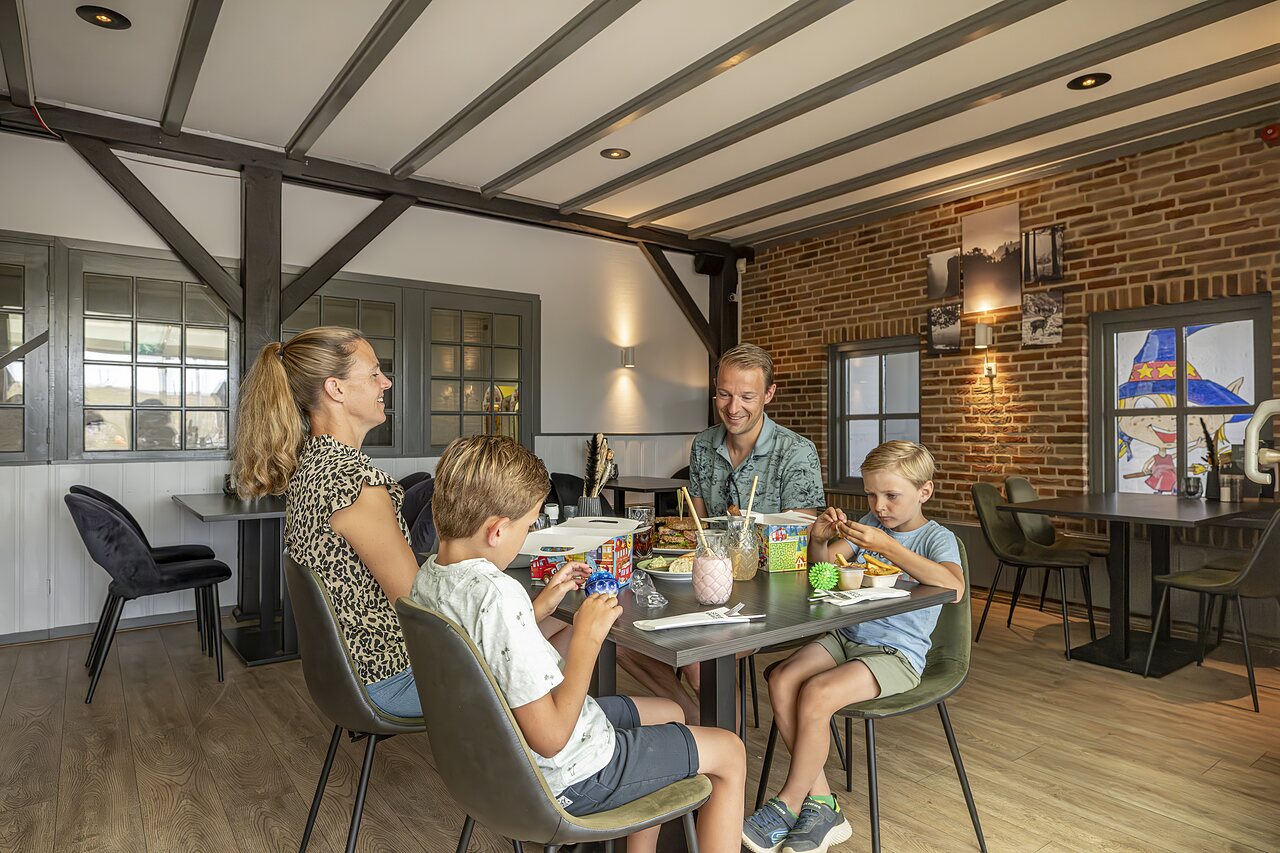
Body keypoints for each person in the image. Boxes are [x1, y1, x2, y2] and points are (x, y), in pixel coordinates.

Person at [413, 435, 747, 853]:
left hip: (492, 756)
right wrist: (589, 635)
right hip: (566, 775)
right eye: (529, 524)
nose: (529, 532)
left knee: (670, 711)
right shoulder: (498, 594)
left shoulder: (430, 576)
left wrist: (537, 610)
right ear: (497, 530)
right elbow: (551, 736)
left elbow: (481, 649)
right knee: (730, 751)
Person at [742, 440, 965, 853]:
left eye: (891, 495)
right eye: (872, 495)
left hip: (896, 654)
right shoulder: (868, 527)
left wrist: (889, 548)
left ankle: (790, 801)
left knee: (817, 692)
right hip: (848, 636)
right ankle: (823, 803)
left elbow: (953, 588)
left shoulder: (937, 539)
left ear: (925, 492)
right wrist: (818, 540)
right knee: (781, 677)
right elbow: (822, 579)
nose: (879, 506)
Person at [233, 326, 431, 718]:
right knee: (554, 644)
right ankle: (568, 770)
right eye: (374, 373)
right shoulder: (357, 484)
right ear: (336, 389)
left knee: (543, 637)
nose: (386, 383)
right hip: (393, 679)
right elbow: (420, 607)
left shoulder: (313, 467)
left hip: (343, 677)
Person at [622, 343, 826, 722]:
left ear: (768, 394)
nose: (734, 408)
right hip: (706, 586)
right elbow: (697, 531)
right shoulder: (703, 445)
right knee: (620, 634)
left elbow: (798, 543)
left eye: (747, 396)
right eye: (724, 394)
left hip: (776, 594)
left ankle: (724, 755)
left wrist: (740, 525)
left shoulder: (796, 452)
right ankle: (695, 719)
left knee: (700, 658)